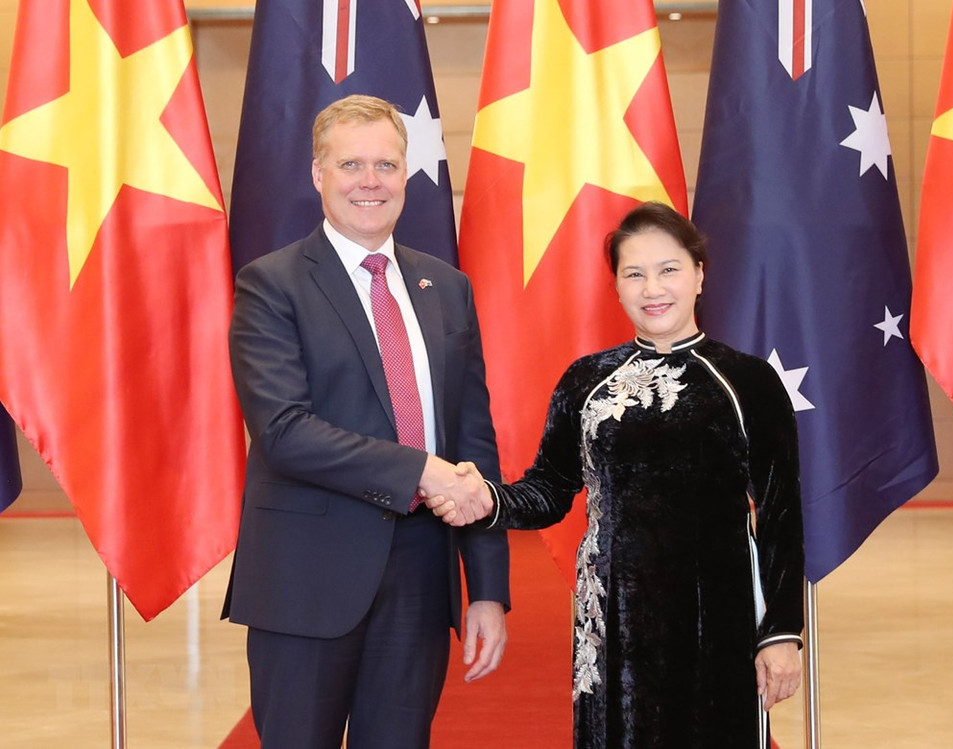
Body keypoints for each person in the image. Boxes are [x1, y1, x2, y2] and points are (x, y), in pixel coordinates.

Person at [426, 202, 804, 748]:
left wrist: (782, 634)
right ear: (618, 288)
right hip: (610, 619)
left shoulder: (748, 382)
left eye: (669, 269)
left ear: (699, 275)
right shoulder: (586, 381)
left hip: (718, 615)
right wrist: (485, 498)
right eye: (634, 274)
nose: (653, 288)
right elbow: (550, 489)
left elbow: (780, 514)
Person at [222, 94, 510, 749]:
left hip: (420, 580)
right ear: (318, 173)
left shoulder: (448, 288)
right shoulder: (271, 285)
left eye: (386, 164)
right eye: (350, 164)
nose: (370, 181)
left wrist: (488, 587)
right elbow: (284, 431)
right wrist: (423, 471)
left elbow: (474, 444)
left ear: (406, 172)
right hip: (306, 579)